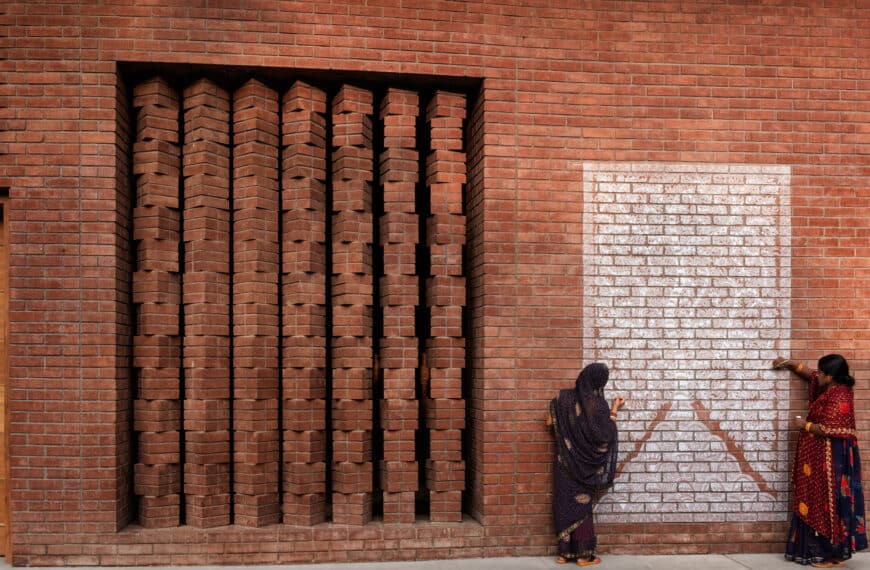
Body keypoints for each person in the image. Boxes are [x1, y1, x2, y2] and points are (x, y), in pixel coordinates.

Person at [774, 354, 867, 568]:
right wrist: (789, 364)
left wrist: (803, 425)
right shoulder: (831, 386)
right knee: (818, 499)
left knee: (831, 501)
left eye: (823, 373)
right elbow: (811, 375)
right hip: (822, 456)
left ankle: (833, 555)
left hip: (835, 458)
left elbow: (828, 429)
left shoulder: (840, 395)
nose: (818, 376)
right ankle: (819, 552)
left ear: (831, 376)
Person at [546, 363, 625, 567]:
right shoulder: (599, 405)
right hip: (585, 468)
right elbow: (605, 434)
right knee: (582, 508)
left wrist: (568, 429)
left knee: (564, 503)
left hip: (564, 464)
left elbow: (549, 423)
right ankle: (583, 556)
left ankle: (564, 554)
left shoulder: (562, 398)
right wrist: (615, 409)